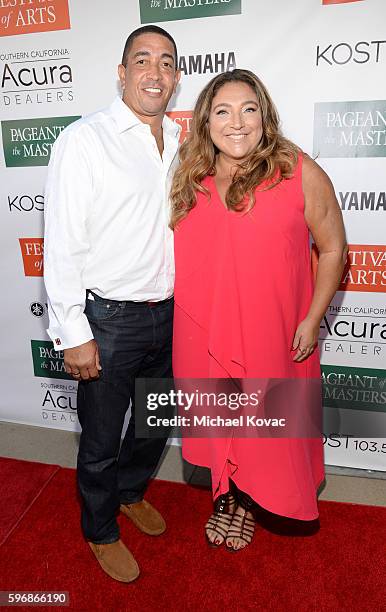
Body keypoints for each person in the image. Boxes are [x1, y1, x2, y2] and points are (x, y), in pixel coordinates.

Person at [170, 69, 347, 551]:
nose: (237, 123)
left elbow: (333, 249)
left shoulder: (297, 170)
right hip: (203, 331)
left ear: (265, 117)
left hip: (272, 330)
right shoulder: (192, 176)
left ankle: (248, 500)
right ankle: (227, 496)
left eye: (249, 109)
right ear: (206, 122)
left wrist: (312, 318)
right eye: (222, 112)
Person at [44, 25, 181, 582]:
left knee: (154, 423)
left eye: (167, 63)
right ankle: (99, 527)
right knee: (100, 439)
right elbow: (63, 241)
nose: (155, 72)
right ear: (122, 73)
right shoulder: (85, 139)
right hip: (110, 319)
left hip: (170, 313)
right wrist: (72, 329)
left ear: (175, 78)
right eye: (142, 60)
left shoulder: (179, 141)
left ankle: (128, 492)